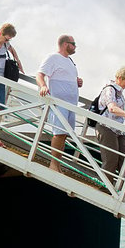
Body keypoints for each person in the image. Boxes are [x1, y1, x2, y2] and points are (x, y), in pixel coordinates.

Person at [36, 34, 82, 171]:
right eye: (73, 43)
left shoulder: (71, 62)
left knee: (64, 135)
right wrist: (43, 85)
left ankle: (58, 164)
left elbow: (68, 78)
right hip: (59, 103)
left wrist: (78, 82)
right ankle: (53, 164)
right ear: (65, 44)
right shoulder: (53, 58)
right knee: (59, 133)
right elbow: (39, 74)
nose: (75, 46)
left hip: (71, 104)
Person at [92, 67, 125, 177]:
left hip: (118, 129)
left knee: (124, 159)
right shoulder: (110, 89)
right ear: (120, 78)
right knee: (111, 159)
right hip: (106, 126)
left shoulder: (119, 93)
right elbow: (112, 108)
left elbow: (121, 108)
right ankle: (106, 186)